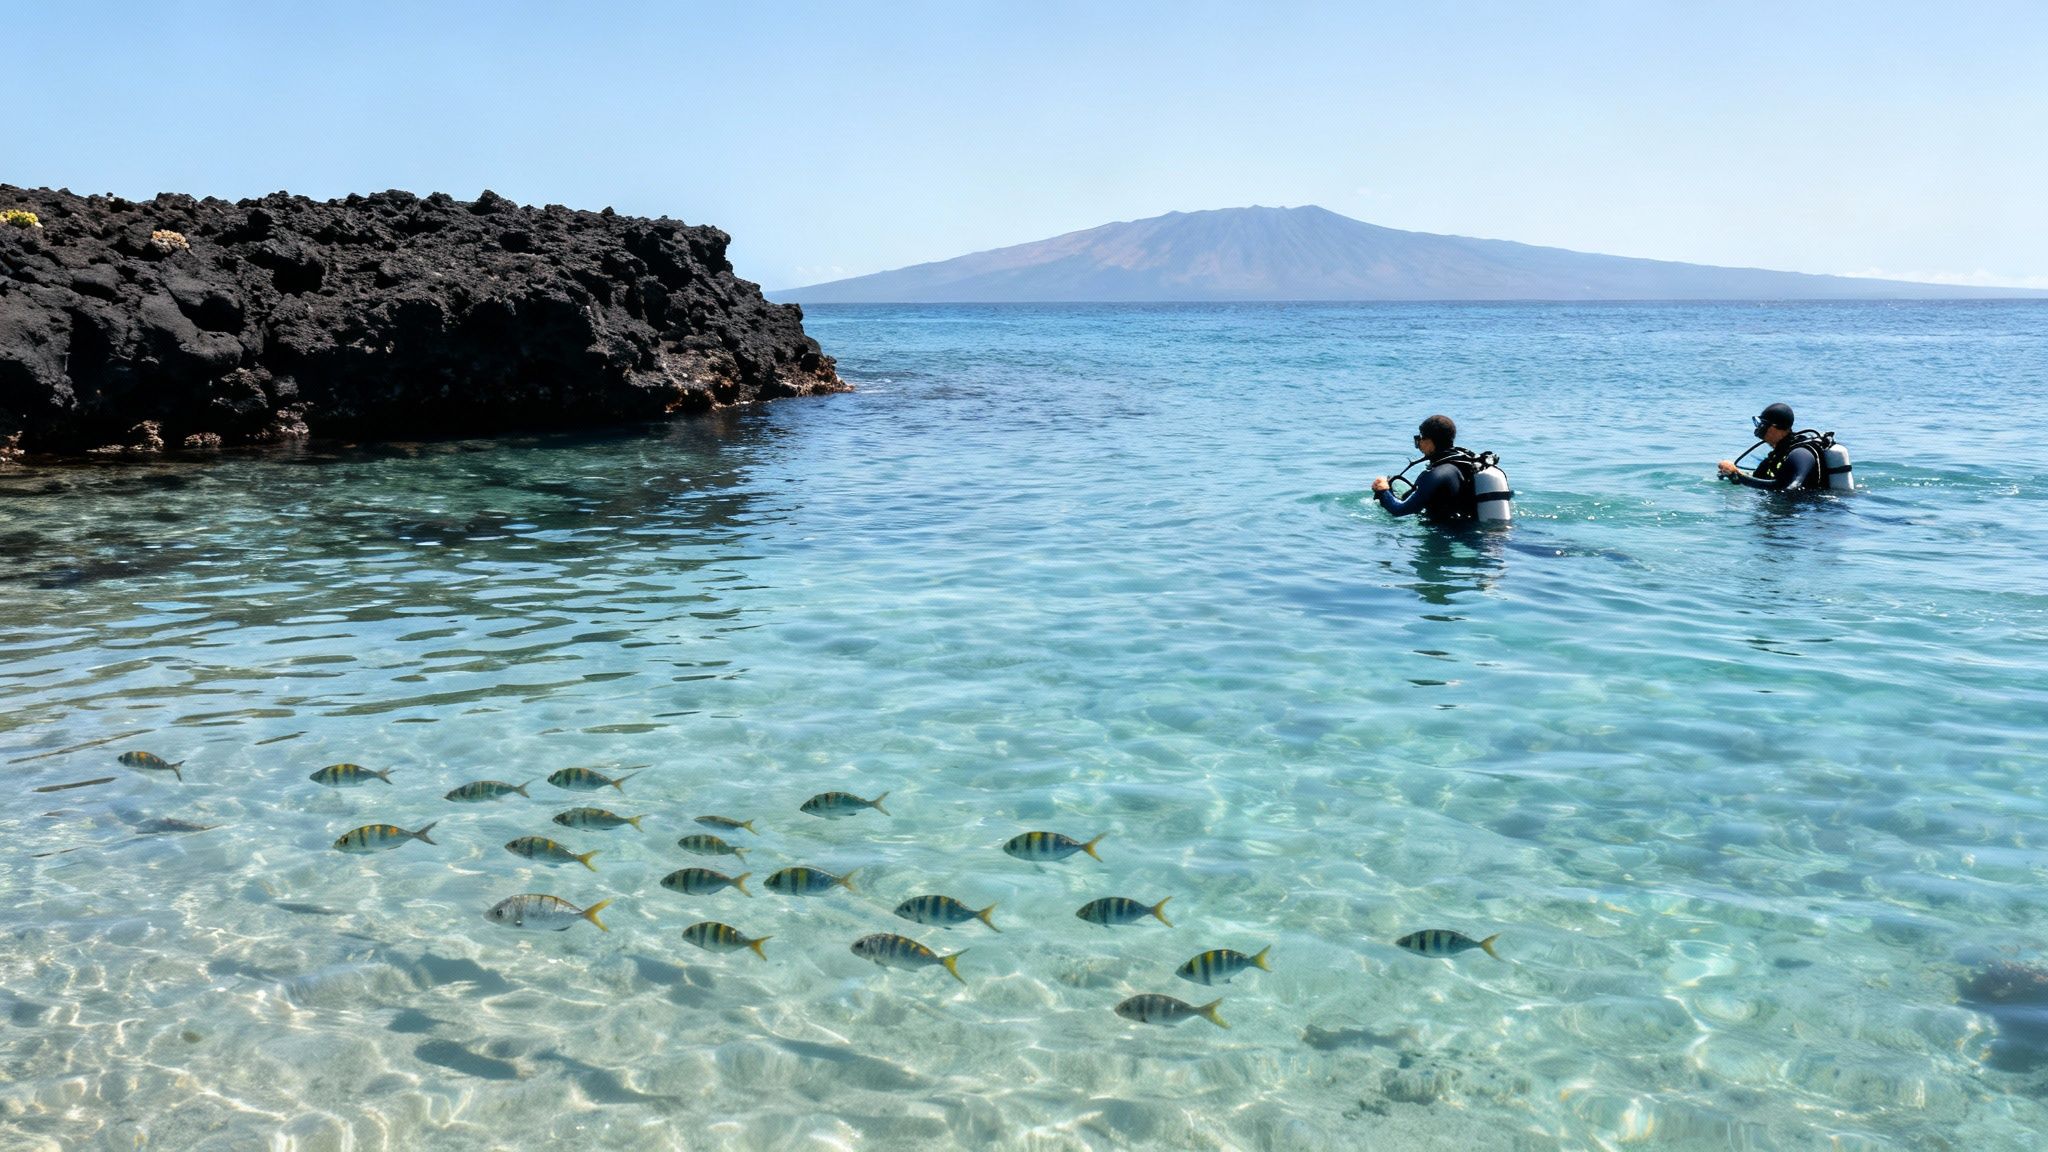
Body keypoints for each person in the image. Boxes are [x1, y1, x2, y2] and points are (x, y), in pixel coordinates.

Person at [1372, 414, 1474, 521]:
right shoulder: (1463, 463)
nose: (1419, 444)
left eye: (1420, 439)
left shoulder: (1435, 475)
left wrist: (1383, 491)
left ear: (1429, 442)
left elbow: (1400, 511)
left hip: (1447, 535)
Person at [1718, 403, 1821, 491]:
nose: (1759, 428)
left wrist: (1739, 475)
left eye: (1763, 424)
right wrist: (1732, 475)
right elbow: (1756, 480)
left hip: (1814, 511)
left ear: (1776, 427)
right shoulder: (1776, 455)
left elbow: (1790, 487)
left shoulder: (1801, 454)